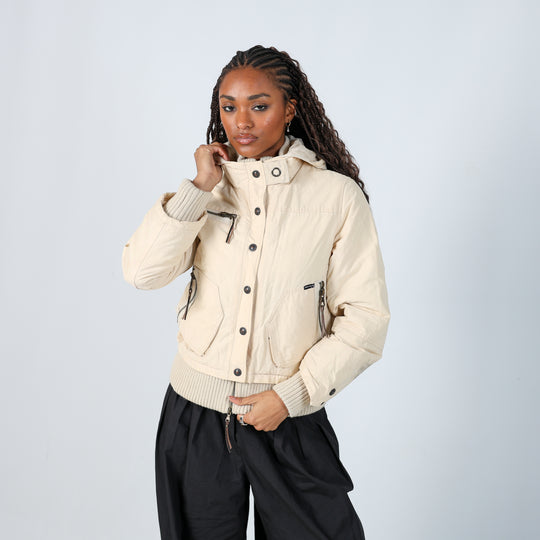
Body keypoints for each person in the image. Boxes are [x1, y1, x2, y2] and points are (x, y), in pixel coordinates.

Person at [122, 44, 391, 540]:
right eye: (229, 107)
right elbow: (142, 273)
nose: (241, 122)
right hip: (197, 417)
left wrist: (291, 396)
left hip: (288, 415)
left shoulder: (336, 196)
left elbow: (365, 320)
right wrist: (198, 188)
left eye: (259, 106)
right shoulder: (208, 191)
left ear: (290, 109)